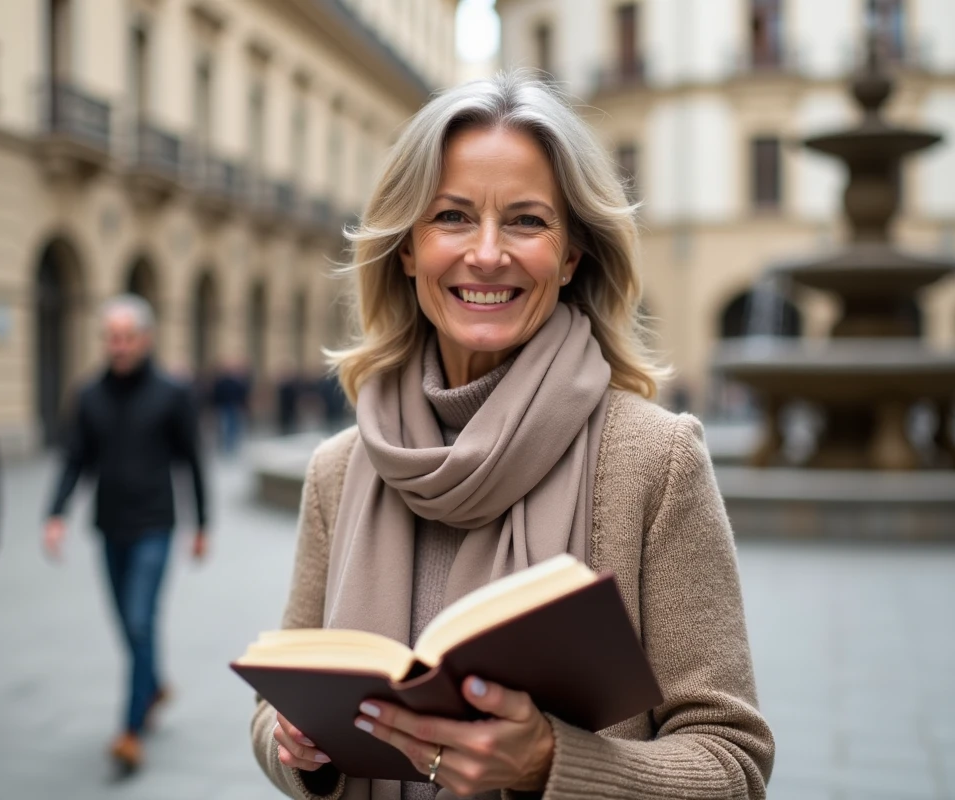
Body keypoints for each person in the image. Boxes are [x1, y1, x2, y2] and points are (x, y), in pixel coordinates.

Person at [249, 72, 775, 800]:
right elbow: (276, 707)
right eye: (454, 217)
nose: (488, 253)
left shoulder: (656, 460)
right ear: (406, 249)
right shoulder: (339, 470)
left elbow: (733, 765)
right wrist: (296, 745)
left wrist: (552, 764)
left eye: (526, 221)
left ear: (570, 256)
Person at [44, 294, 208, 773]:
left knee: (139, 621)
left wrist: (203, 525)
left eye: (126, 337)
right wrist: (56, 514)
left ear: (146, 339)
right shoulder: (89, 394)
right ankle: (153, 685)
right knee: (128, 625)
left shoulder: (171, 393)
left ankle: (130, 731)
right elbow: (75, 458)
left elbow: (193, 461)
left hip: (155, 526)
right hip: (109, 526)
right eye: (110, 338)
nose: (117, 346)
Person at [212, 360, 251, 455]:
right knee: (228, 426)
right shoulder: (225, 382)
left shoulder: (233, 382)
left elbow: (242, 394)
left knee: (231, 426)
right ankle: (228, 446)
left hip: (231, 406)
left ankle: (230, 446)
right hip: (226, 406)